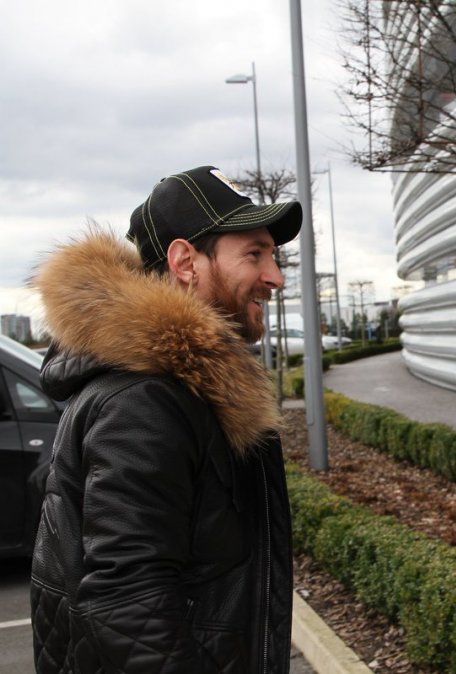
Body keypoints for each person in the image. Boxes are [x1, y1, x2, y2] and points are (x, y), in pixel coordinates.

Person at [30, 166, 302, 673]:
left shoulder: (177, 389)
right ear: (185, 262)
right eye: (254, 254)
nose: (276, 277)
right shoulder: (147, 401)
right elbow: (126, 605)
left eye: (274, 255)